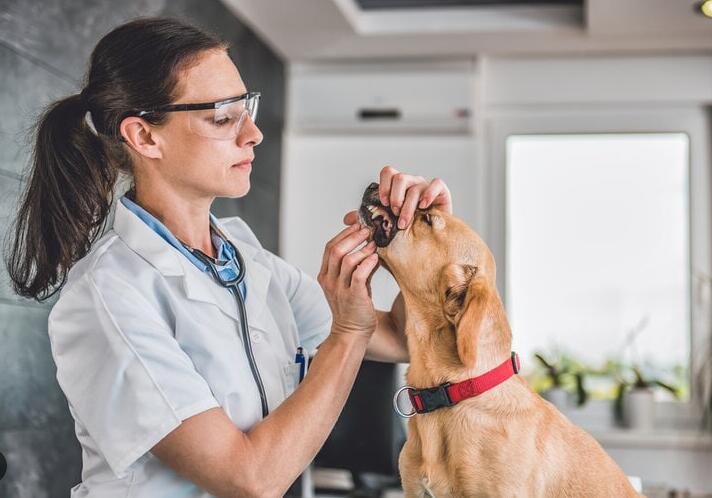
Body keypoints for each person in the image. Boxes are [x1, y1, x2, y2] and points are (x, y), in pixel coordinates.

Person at [5, 17, 452, 498]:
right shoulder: (107, 296)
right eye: (223, 117)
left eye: (247, 108)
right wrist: (347, 334)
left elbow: (406, 338)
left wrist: (426, 243)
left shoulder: (248, 262)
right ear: (144, 137)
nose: (254, 134)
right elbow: (250, 478)